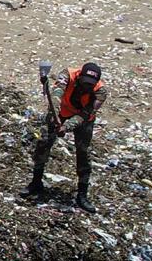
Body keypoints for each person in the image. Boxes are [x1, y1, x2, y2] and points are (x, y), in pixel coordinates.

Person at [27, 62, 104, 211]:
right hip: (60, 112)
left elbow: (86, 114)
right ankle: (36, 182)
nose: (87, 86)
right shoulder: (66, 75)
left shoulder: (100, 92)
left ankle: (82, 195)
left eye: (91, 84)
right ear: (80, 76)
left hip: (83, 120)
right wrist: (56, 117)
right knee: (43, 143)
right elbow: (56, 95)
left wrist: (66, 127)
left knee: (83, 153)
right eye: (85, 82)